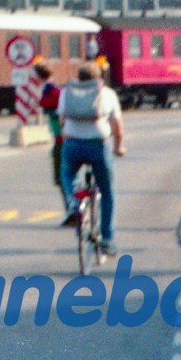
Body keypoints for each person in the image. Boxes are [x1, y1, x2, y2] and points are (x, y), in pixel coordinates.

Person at [57, 62, 126, 255]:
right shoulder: (108, 94)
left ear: (78, 77)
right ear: (98, 78)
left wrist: (70, 135)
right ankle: (108, 239)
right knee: (107, 190)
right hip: (98, 145)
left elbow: (62, 120)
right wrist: (119, 146)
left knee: (67, 173)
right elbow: (117, 128)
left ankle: (72, 200)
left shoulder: (66, 92)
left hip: (72, 144)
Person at [32, 62, 69, 214]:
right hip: (66, 138)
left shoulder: (51, 90)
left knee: (61, 177)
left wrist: (40, 103)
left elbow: (47, 104)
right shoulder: (56, 88)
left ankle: (72, 209)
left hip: (61, 140)